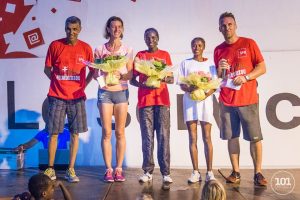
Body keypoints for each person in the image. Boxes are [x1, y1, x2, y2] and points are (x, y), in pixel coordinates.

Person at [214, 12, 267, 186]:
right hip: (228, 101)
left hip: (248, 98)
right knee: (232, 137)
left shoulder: (249, 43)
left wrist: (247, 77)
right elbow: (220, 79)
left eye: (230, 24)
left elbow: (262, 67)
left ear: (235, 25)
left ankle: (258, 173)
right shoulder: (218, 49)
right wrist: (221, 70)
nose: (227, 27)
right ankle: (236, 172)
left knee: (255, 138)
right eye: (223, 25)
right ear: (219, 28)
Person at [43, 16, 94, 183]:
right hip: (57, 97)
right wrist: (58, 83)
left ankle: (70, 170)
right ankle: (50, 169)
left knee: (75, 134)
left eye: (74, 29)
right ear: (65, 28)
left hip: (77, 98)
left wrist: (82, 86)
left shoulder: (86, 48)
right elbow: (47, 69)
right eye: (68, 28)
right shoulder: (55, 45)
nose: (71, 32)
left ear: (79, 30)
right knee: (53, 134)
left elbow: (92, 71)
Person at [130, 28, 174, 184]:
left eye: (154, 37)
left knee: (163, 137)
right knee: (147, 138)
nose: (151, 40)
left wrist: (160, 78)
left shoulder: (165, 55)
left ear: (158, 38)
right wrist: (144, 84)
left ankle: (165, 173)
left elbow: (171, 79)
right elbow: (132, 80)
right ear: (144, 39)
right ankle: (148, 171)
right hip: (145, 102)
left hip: (162, 102)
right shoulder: (140, 56)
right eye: (148, 37)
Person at [94, 16, 133, 182]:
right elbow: (96, 72)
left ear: (122, 29)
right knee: (106, 132)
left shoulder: (128, 50)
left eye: (119, 26)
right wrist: (103, 79)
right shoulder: (99, 49)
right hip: (105, 92)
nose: (116, 29)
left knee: (120, 132)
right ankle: (108, 169)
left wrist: (121, 74)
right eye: (113, 26)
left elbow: (130, 74)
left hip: (121, 92)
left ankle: (118, 168)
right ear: (108, 29)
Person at [178, 37, 217, 183]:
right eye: (194, 45)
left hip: (205, 102)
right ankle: (195, 172)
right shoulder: (185, 63)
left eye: (199, 45)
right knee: (192, 138)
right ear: (191, 47)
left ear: (204, 47)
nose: (196, 47)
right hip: (190, 102)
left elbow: (214, 85)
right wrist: (190, 89)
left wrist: (205, 94)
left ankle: (209, 172)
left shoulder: (211, 64)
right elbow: (181, 84)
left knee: (207, 137)